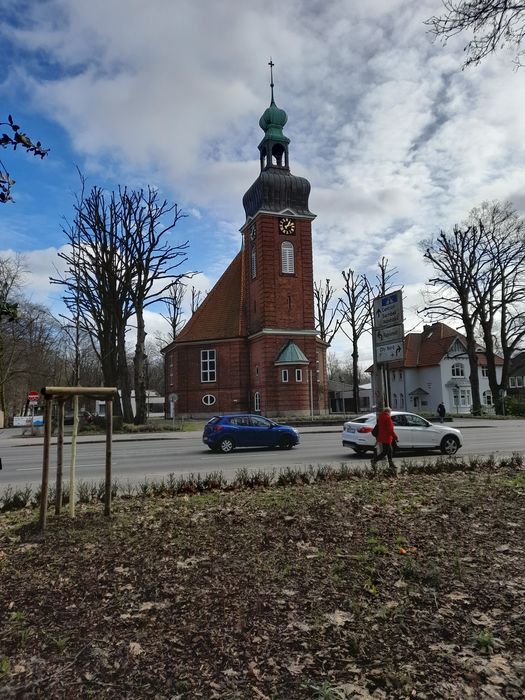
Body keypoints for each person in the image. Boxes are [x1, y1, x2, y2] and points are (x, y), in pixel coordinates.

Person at [371, 407, 398, 475]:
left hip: (381, 437)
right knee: (385, 451)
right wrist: (395, 437)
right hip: (386, 438)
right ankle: (374, 460)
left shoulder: (380, 417)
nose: (390, 414)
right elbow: (390, 430)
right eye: (390, 412)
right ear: (388, 412)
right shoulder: (388, 418)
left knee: (390, 450)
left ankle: (391, 464)